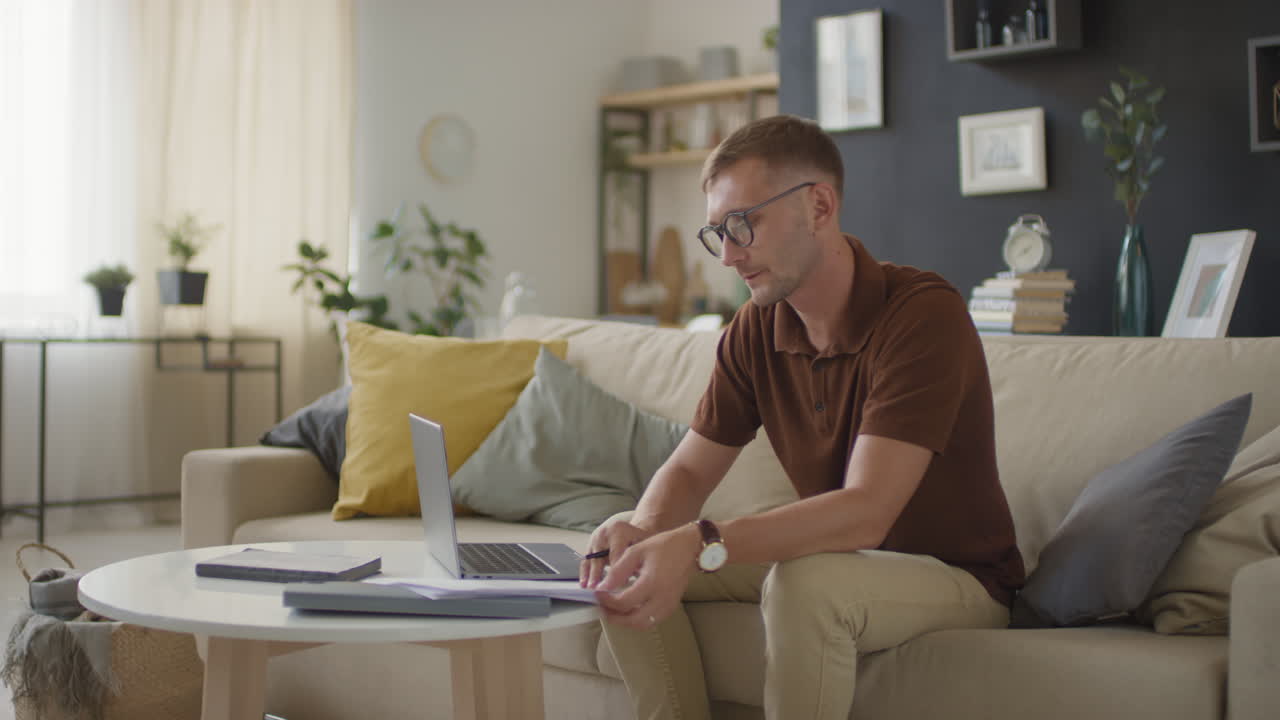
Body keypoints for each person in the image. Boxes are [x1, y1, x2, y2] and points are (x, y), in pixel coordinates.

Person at [579, 114, 1025, 720]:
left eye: (744, 224)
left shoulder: (923, 315)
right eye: (717, 234)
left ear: (819, 206)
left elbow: (867, 512)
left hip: (958, 576)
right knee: (626, 561)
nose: (729, 256)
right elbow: (688, 470)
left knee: (805, 584)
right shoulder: (756, 328)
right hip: (844, 561)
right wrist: (645, 530)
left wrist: (701, 539)